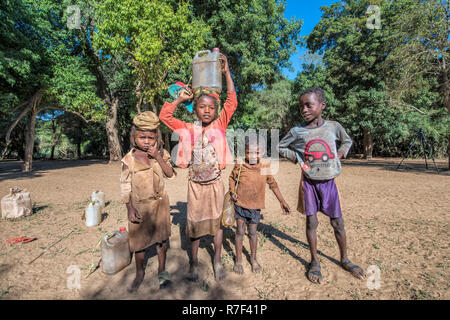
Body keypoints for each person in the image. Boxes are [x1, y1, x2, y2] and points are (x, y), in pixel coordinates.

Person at [159, 53, 236, 281]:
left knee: (217, 227)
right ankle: (193, 264)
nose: (207, 111)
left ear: (216, 110)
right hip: (194, 186)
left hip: (214, 185)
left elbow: (232, 100)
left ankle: (217, 261)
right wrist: (180, 99)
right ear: (195, 109)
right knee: (193, 227)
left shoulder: (220, 125)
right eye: (202, 107)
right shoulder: (187, 128)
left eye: (211, 108)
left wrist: (227, 72)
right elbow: (165, 115)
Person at [278, 87, 365, 284]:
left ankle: (344, 259)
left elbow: (347, 140)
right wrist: (298, 159)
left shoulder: (333, 127)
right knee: (311, 223)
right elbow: (280, 146)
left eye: (309, 105)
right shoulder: (297, 131)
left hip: (329, 183)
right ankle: (315, 261)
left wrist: (340, 154)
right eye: (301, 106)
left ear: (322, 105)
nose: (304, 110)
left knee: (338, 223)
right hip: (309, 183)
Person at [120, 111, 175, 292]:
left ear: (156, 138)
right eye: (142, 137)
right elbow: (125, 185)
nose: (146, 141)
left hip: (160, 205)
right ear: (134, 137)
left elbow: (170, 174)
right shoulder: (129, 159)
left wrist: (158, 156)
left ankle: (162, 270)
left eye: (151, 138)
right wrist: (129, 208)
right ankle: (139, 273)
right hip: (139, 206)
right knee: (139, 243)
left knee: (161, 241)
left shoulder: (161, 154)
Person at [229, 134, 290, 274]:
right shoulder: (240, 165)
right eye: (249, 152)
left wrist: (282, 201)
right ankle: (238, 260)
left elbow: (273, 184)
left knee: (252, 232)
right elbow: (232, 179)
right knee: (239, 231)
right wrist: (233, 192)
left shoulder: (264, 166)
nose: (252, 155)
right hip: (240, 204)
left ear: (262, 152)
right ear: (244, 151)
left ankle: (253, 259)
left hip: (255, 207)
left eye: (256, 152)